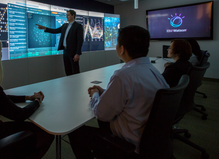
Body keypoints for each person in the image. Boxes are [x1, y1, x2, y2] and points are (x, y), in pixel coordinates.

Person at [67, 25, 169, 158]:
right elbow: (134, 96)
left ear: (122, 49)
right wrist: (105, 92)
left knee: (74, 130)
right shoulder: (155, 72)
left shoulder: (123, 76)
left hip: (128, 145)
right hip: (150, 141)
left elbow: (100, 113)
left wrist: (95, 94)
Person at [36, 10, 83, 76]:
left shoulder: (78, 26)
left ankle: (77, 85)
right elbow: (55, 30)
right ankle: (69, 85)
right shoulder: (65, 25)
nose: (67, 16)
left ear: (73, 15)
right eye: (66, 15)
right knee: (67, 70)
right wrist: (45, 28)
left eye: (68, 15)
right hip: (65, 51)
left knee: (75, 71)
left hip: (73, 52)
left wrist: (77, 53)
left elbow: (80, 40)